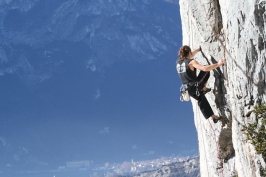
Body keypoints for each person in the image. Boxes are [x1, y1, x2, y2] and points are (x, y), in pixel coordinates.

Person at [176, 45, 226, 123]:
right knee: (206, 70)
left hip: (186, 89)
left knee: (201, 99)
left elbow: (189, 55)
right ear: (189, 52)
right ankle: (203, 88)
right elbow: (204, 68)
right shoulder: (191, 62)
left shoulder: (178, 62)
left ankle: (213, 117)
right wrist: (218, 64)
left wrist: (198, 50)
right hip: (195, 86)